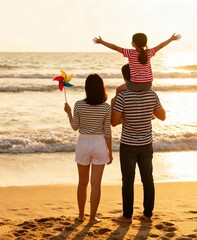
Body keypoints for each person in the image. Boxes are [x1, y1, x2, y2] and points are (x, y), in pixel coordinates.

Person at [111, 64, 166, 223]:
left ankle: (127, 216)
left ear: (125, 78)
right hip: (146, 144)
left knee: (127, 181)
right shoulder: (152, 94)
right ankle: (147, 215)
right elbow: (162, 116)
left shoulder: (123, 96)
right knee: (147, 179)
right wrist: (149, 111)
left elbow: (114, 122)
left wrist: (115, 99)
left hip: (128, 144)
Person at [64, 74, 113, 225]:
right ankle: (92, 218)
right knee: (96, 183)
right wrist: (109, 151)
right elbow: (107, 132)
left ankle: (80, 216)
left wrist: (68, 113)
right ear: (101, 88)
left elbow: (74, 127)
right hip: (99, 143)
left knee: (82, 183)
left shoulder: (78, 105)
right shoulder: (106, 107)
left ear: (87, 88)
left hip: (83, 143)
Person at [93, 33, 181, 94]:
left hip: (134, 85)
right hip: (148, 85)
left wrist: (102, 42)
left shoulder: (130, 53)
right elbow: (161, 45)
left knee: (118, 90)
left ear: (134, 44)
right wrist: (171, 39)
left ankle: (117, 109)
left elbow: (115, 47)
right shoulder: (149, 52)